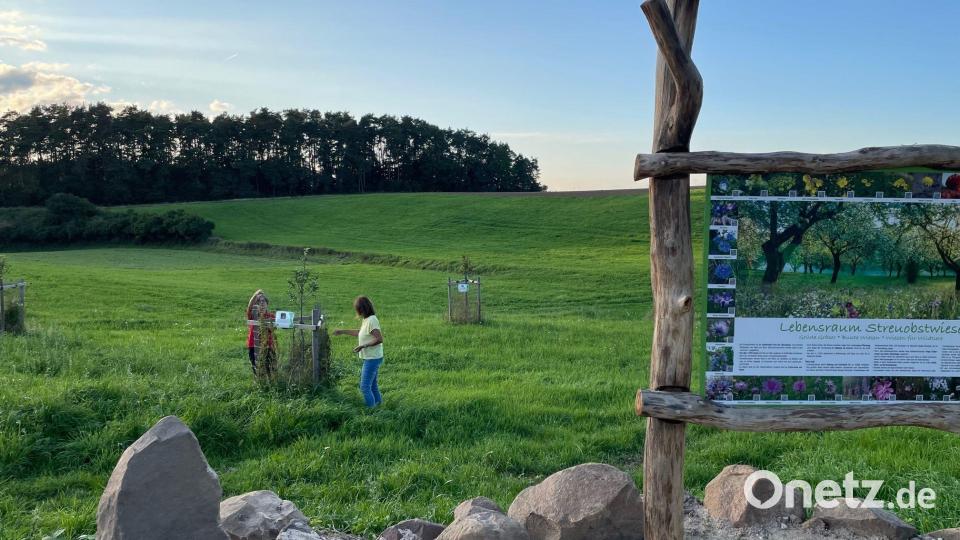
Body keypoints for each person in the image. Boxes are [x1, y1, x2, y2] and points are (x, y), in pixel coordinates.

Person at [334, 296, 384, 407]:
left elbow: (379, 339)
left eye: (357, 309)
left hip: (372, 358)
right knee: (373, 386)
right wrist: (342, 331)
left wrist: (363, 345)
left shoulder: (372, 320)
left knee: (365, 387)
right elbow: (360, 332)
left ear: (362, 309)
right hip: (372, 357)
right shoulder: (366, 320)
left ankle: (371, 411)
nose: (357, 311)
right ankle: (379, 407)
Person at [245, 289, 276, 376]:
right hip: (254, 346)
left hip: (268, 345)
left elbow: (274, 329)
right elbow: (249, 307)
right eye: (258, 302)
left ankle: (271, 386)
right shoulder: (253, 315)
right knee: (257, 370)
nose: (261, 303)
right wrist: (256, 295)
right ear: (255, 305)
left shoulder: (271, 316)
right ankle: (260, 385)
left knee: (271, 369)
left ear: (267, 303)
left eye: (263, 301)